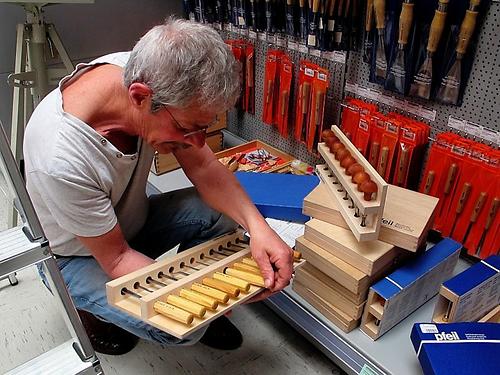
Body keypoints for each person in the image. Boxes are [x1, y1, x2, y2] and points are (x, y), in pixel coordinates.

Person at [23, 17, 294, 355]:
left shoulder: (146, 71)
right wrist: (221, 293)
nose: (196, 142)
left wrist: (260, 229)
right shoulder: (62, 159)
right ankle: (90, 311)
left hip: (127, 223)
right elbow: (118, 258)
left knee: (223, 215)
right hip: (79, 256)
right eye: (188, 127)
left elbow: (206, 165)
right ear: (141, 97)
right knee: (181, 331)